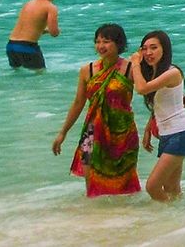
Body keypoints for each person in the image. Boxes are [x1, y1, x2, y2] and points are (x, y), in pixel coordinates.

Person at [52, 24, 140, 196]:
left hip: (122, 133)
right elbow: (78, 103)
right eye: (97, 41)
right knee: (91, 182)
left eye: (106, 41)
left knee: (123, 184)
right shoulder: (88, 71)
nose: (101, 46)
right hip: (92, 131)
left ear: (118, 44)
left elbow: (150, 90)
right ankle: (93, 218)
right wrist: (63, 133)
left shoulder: (130, 69)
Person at [130, 31, 185, 202]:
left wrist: (135, 62)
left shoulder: (172, 72)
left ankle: (170, 215)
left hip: (180, 134)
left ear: (164, 49)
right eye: (144, 49)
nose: (148, 53)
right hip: (168, 134)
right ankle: (183, 219)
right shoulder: (155, 73)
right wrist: (148, 129)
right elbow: (161, 105)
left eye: (153, 48)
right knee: (171, 188)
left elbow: (142, 89)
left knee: (152, 186)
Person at [7, 0, 60, 69]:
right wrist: (56, 31)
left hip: (11, 46)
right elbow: (54, 33)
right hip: (27, 47)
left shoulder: (28, 4)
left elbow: (28, 27)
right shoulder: (50, 7)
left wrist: (43, 31)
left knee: (16, 76)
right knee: (40, 75)